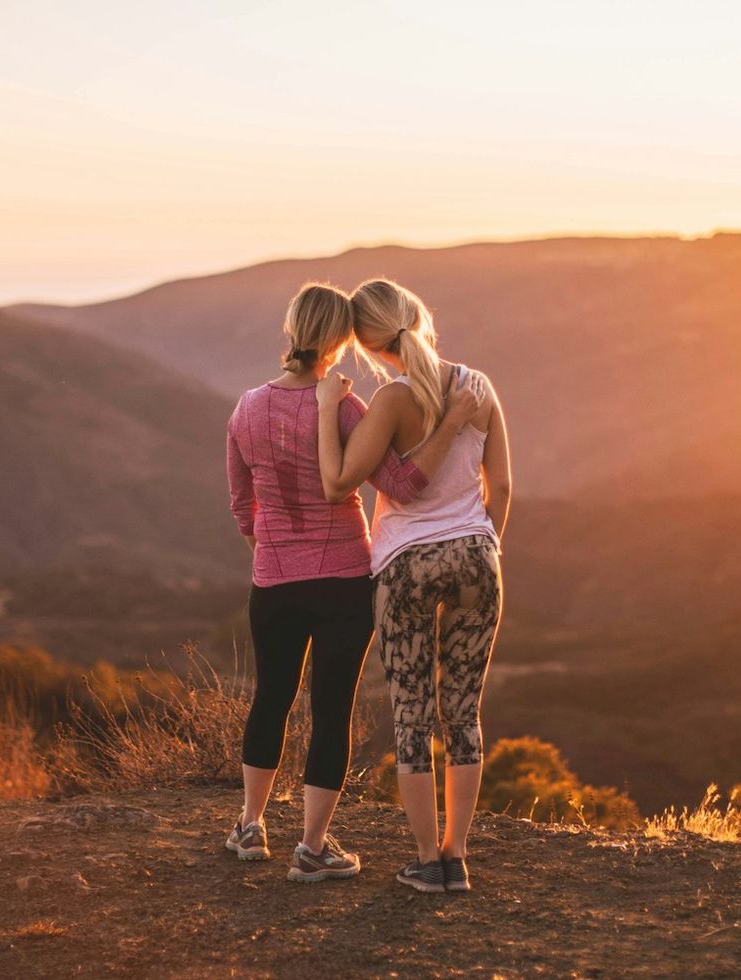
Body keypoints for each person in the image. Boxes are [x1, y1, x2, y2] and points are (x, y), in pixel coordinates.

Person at [224, 281, 481, 883]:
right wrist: (450, 429)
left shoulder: (247, 408)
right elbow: (402, 485)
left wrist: (269, 548)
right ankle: (312, 848)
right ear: (341, 342)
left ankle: (250, 826)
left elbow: (241, 501)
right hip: (343, 580)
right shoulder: (346, 410)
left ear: (290, 332)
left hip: (275, 580)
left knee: (271, 697)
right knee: (331, 709)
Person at [316, 278, 510, 893]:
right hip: (478, 557)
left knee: (413, 714)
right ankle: (458, 856)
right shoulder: (478, 387)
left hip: (406, 567)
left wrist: (327, 411)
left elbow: (350, 479)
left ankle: (428, 860)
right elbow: (500, 488)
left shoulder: (393, 402)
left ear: (370, 347)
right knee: (464, 711)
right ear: (420, 316)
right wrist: (485, 546)